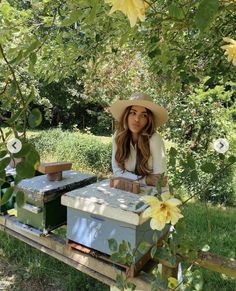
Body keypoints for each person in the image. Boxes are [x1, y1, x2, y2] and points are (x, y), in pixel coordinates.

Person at [109, 92, 168, 186]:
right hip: (126, 191)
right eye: (133, 113)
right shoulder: (118, 135)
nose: (137, 119)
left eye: (144, 115)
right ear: (126, 115)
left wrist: (128, 177)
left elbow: (159, 181)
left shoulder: (154, 139)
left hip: (151, 194)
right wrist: (145, 180)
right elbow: (117, 171)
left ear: (149, 119)